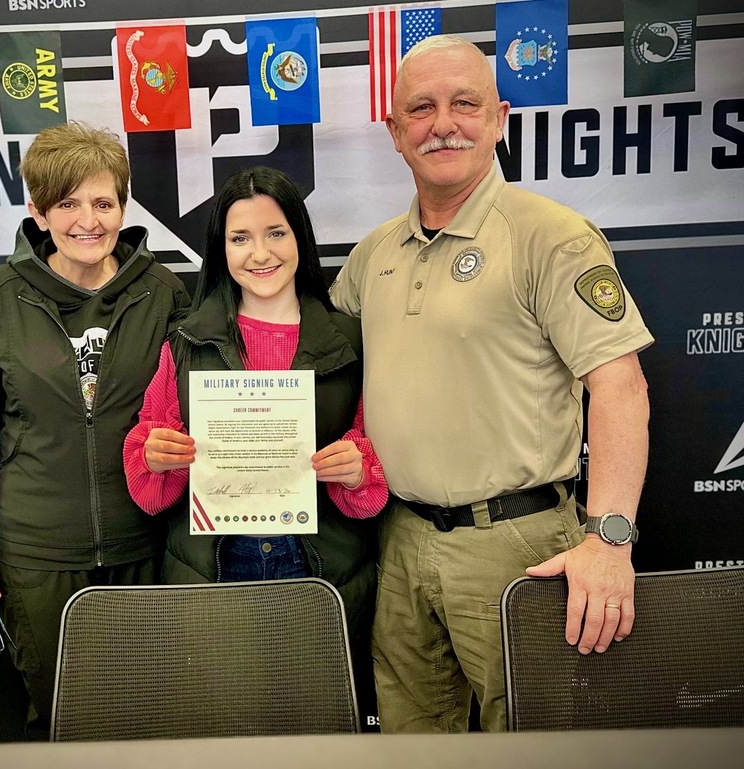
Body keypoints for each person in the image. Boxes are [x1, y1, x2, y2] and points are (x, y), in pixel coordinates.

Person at [329, 35, 653, 733]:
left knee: (537, 739)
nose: (443, 122)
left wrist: (611, 538)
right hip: (401, 540)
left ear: (499, 117)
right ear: (394, 131)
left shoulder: (552, 237)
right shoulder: (371, 256)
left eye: (464, 103)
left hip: (518, 545)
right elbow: (312, 365)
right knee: (411, 738)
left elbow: (621, 387)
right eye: (421, 108)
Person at [0, 121, 189, 739]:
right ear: (38, 210)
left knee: (149, 713)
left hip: (144, 543)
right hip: (37, 552)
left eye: (104, 202)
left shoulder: (163, 293)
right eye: (68, 203)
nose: (89, 219)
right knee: (62, 715)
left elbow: (194, 409)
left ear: (124, 207)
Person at [123, 166, 388, 707]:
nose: (259, 253)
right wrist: (155, 455)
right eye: (239, 238)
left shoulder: (351, 341)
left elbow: (374, 475)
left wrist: (359, 469)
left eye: (276, 233)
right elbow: (150, 492)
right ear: (220, 250)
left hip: (319, 566)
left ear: (300, 239)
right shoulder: (187, 342)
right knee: (223, 729)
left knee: (319, 727)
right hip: (212, 565)